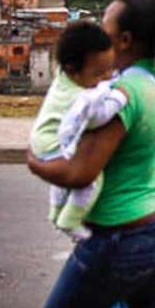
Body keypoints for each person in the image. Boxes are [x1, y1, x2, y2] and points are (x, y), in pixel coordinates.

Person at [28, 0, 155, 308]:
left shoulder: (122, 95)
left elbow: (80, 173)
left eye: (106, 27)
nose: (100, 34)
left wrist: (34, 160)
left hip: (121, 239)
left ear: (125, 40)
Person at [30, 21, 125, 241]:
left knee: (63, 183)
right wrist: (119, 98)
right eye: (99, 73)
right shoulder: (80, 98)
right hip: (54, 145)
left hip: (42, 139)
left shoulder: (65, 80)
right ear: (73, 70)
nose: (107, 77)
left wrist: (102, 80)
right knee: (91, 180)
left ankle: (55, 213)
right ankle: (70, 221)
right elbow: (95, 118)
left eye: (110, 68)